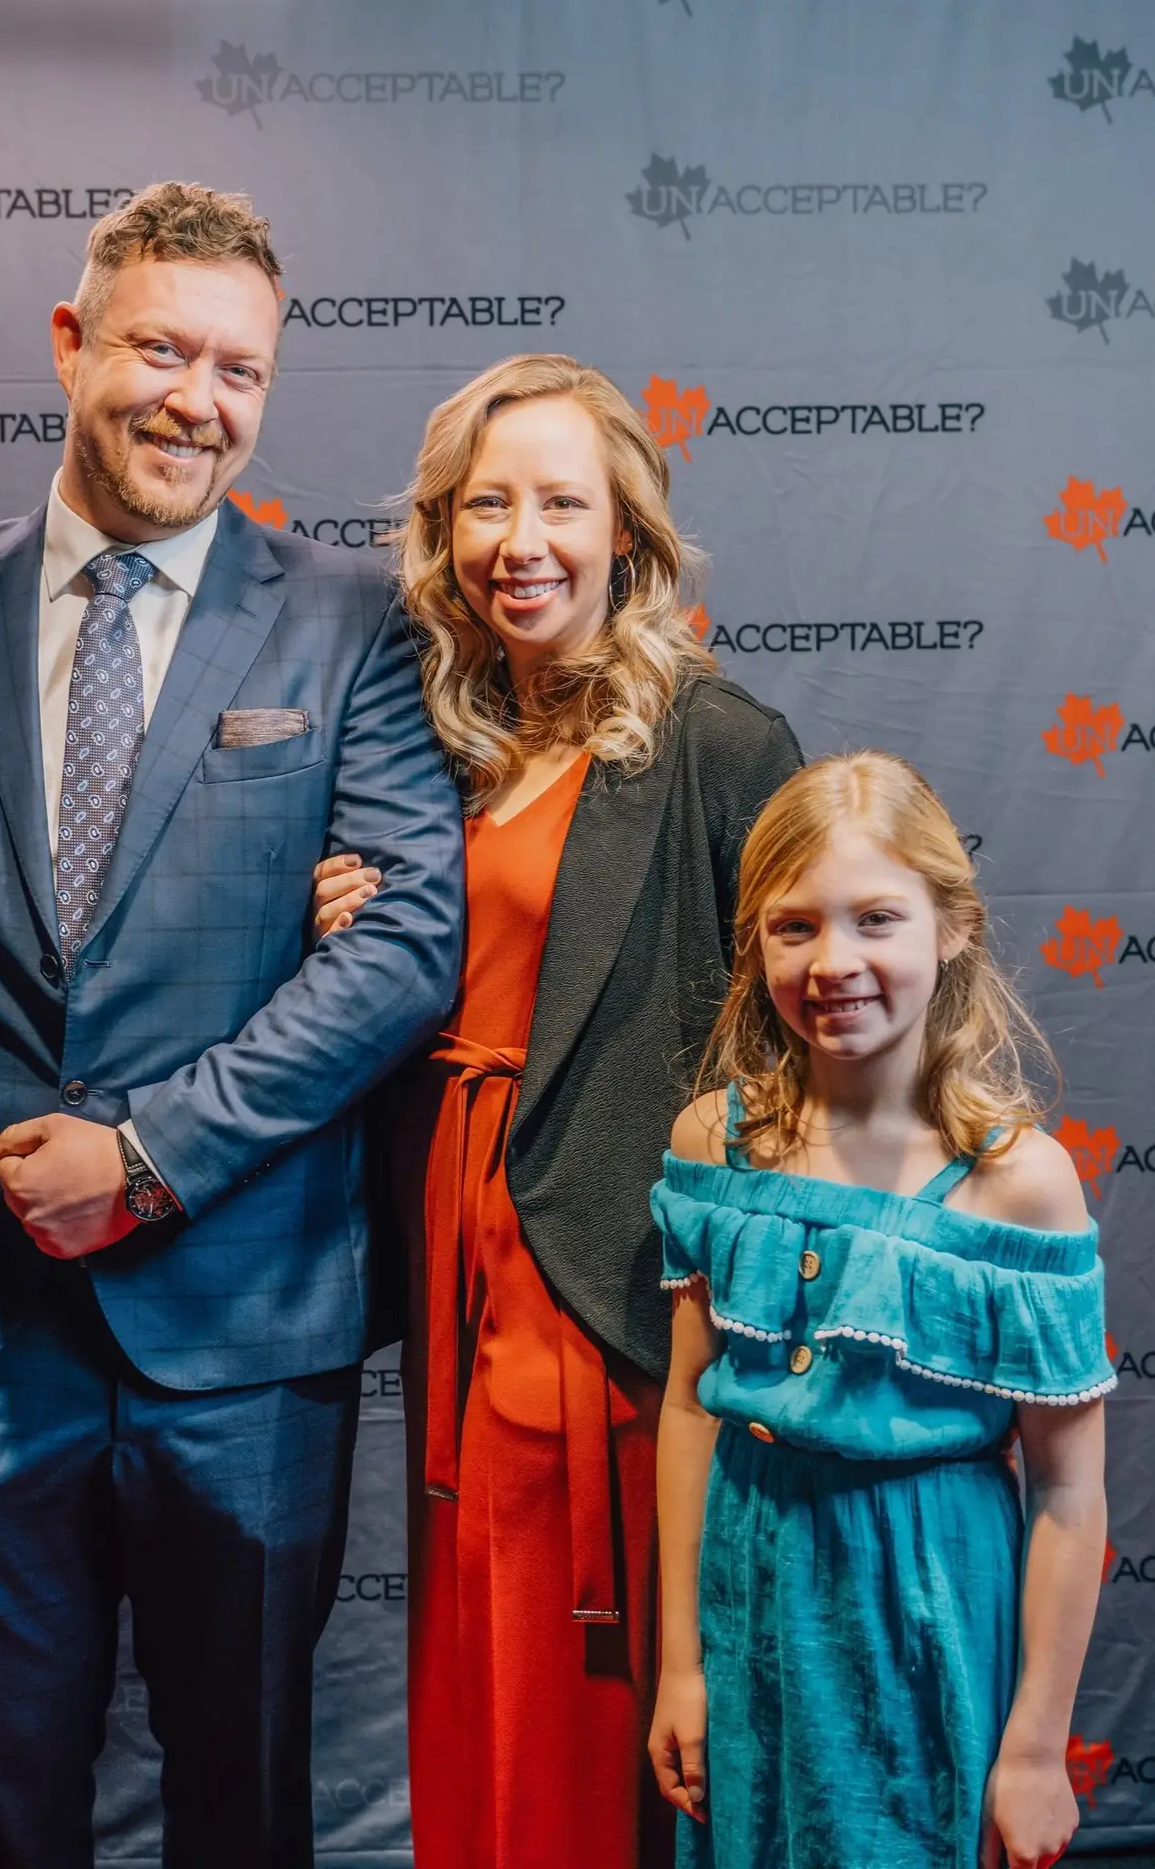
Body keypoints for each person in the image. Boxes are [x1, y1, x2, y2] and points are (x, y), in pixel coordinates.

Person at [0, 180, 465, 1868]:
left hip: (246, 1336)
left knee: (243, 1799)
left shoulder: (354, 620)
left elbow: (404, 944)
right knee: (1, 1804)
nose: (197, 400)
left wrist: (154, 1152)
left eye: (239, 371)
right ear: (69, 343)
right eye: (161, 350)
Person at [312, 353, 801, 1869]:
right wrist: (352, 932)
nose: (520, 538)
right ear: (443, 534)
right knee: (477, 1631)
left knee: (595, 1660)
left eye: (561, 503)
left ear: (630, 537)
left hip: (610, 1271)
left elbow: (795, 1042)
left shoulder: (719, 744)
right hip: (455, 1252)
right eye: (484, 504)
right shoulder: (433, 745)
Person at [648, 751, 1111, 1869]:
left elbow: (1066, 1489)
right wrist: (680, 1663)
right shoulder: (715, 1142)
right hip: (750, 1588)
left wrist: (1036, 1751)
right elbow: (690, 1411)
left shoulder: (1020, 1183)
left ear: (951, 928)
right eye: (794, 927)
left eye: (877, 920)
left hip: (929, 1607)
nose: (834, 962)